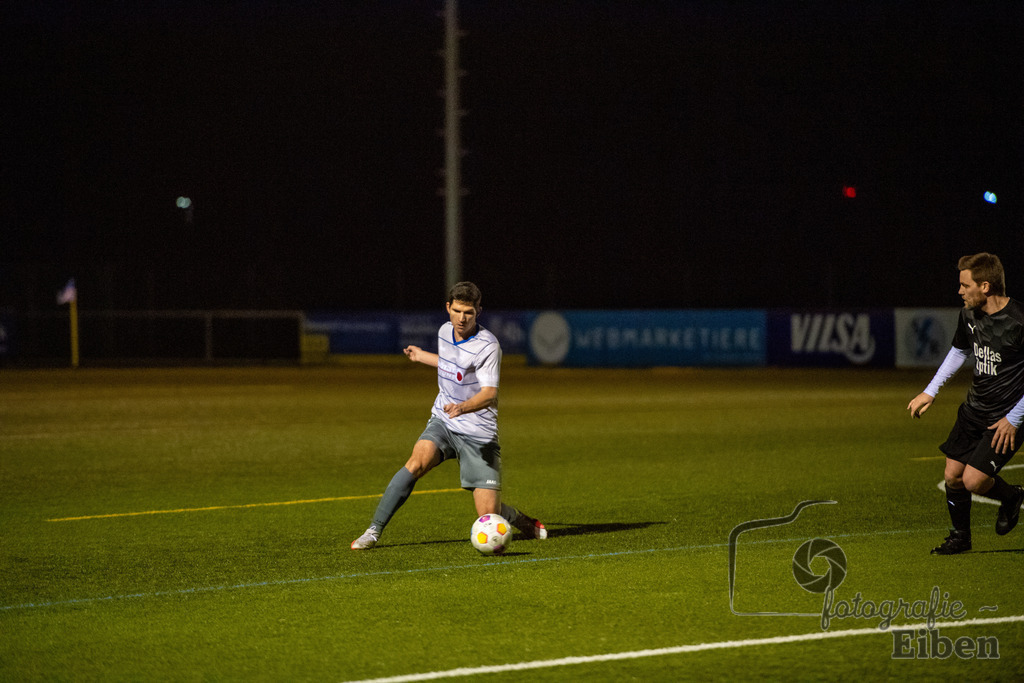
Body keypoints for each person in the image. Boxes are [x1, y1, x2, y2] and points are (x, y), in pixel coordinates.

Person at [351, 281, 546, 549]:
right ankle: (373, 531)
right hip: (444, 420)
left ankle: (514, 517)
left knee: (488, 516)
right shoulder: (445, 331)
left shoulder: (487, 346)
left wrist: (462, 407)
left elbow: (489, 394)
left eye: (468, 312)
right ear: (448, 308)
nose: (462, 318)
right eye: (457, 311)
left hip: (478, 434)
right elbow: (451, 365)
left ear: (479, 311)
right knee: (416, 463)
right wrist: (422, 356)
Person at [908, 252, 1024, 554]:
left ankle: (1011, 497)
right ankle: (961, 538)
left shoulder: (1019, 321)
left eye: (964, 285)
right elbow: (959, 351)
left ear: (984, 286)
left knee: (973, 480)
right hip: (974, 409)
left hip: (1006, 418)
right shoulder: (968, 315)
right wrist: (930, 391)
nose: (960, 291)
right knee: (952, 476)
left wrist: (1015, 418)